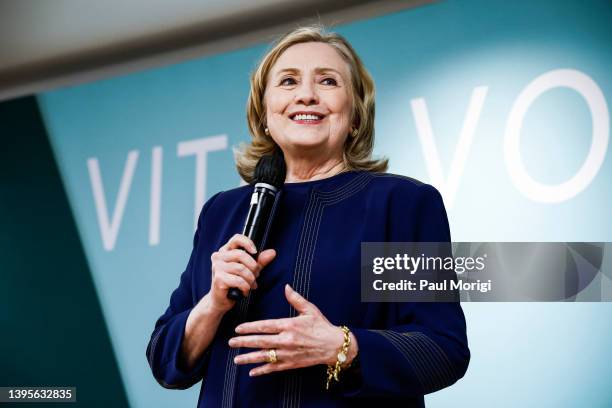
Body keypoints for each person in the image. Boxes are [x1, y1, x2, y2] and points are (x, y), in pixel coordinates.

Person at [146, 25, 469, 407]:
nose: (306, 95)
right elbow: (165, 361)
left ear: (354, 115)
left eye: (328, 81)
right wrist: (213, 304)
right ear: (265, 112)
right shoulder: (223, 212)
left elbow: (442, 349)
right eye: (288, 81)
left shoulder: (400, 205)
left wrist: (340, 346)